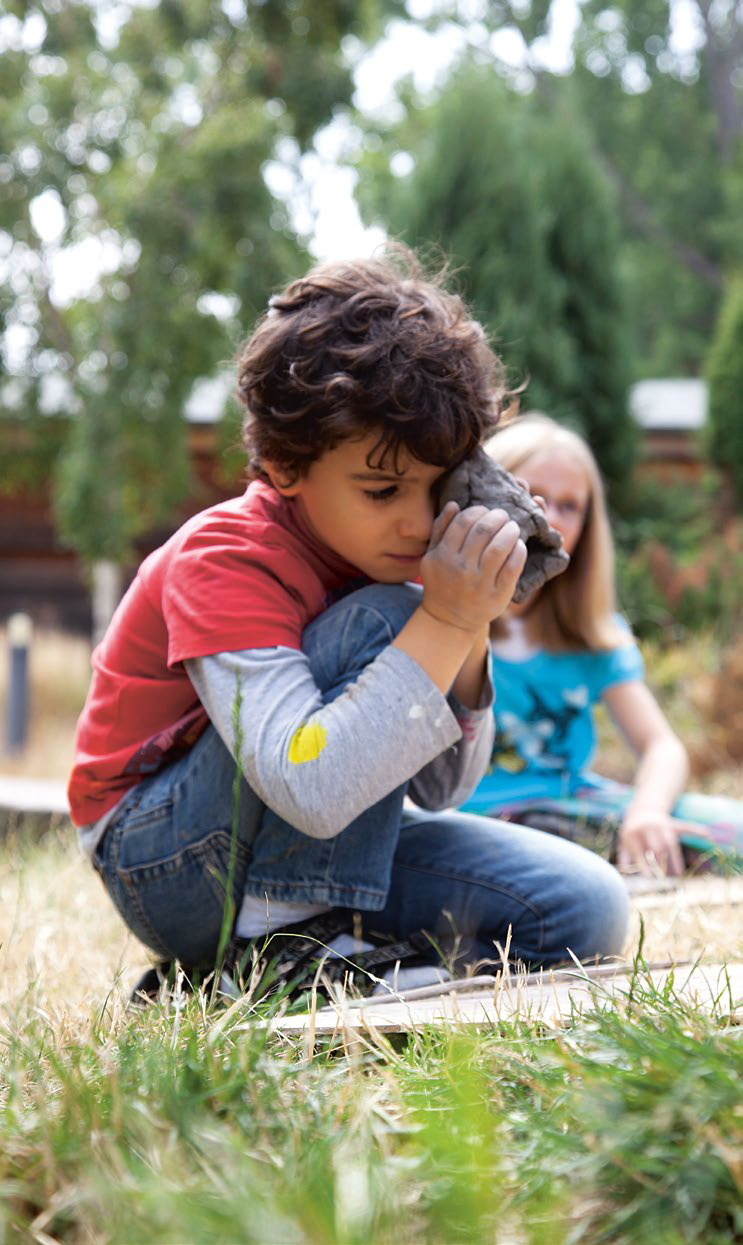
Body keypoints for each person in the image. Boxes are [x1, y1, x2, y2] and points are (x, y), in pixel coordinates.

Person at [68, 255, 629, 1000]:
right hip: (164, 860)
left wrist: (466, 628)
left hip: (299, 852)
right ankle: (282, 954)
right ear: (282, 461)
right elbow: (312, 786)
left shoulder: (393, 554)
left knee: (583, 908)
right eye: (381, 488)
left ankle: (243, 973)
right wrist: (440, 616)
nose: (418, 518)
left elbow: (442, 785)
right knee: (386, 618)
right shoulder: (225, 558)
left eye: (438, 486)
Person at [460, 412, 742, 877]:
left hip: (577, 808)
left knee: (730, 831)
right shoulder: (441, 616)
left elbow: (661, 747)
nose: (548, 516)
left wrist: (648, 812)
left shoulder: (592, 634)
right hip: (472, 821)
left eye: (570, 506)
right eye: (533, 494)